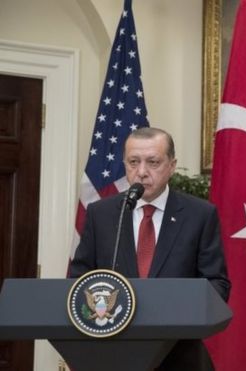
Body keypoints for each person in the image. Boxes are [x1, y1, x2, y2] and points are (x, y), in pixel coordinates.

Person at [69, 127, 230, 371]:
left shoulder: (200, 215)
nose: (141, 172)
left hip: (179, 354)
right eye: (133, 162)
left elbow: (217, 285)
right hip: (113, 354)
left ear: (172, 165)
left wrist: (174, 310)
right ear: (124, 164)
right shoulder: (101, 214)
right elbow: (79, 279)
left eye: (153, 162)